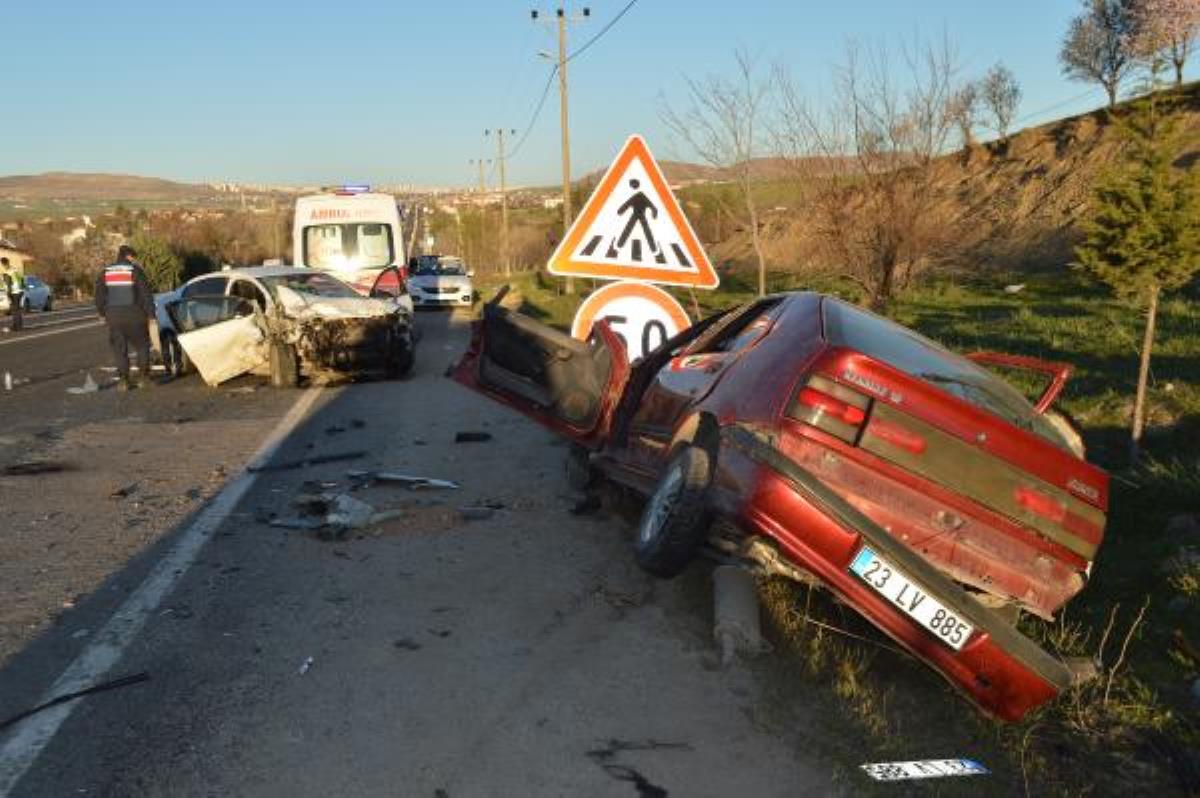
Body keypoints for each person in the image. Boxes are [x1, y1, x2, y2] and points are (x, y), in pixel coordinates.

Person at [95, 245, 155, 390]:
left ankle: (123, 381)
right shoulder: (135, 271)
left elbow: (99, 296)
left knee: (119, 349)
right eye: (133, 257)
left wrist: (102, 313)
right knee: (142, 346)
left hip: (114, 317)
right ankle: (143, 379)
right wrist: (151, 315)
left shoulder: (105, 272)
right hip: (135, 315)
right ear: (129, 256)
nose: (134, 260)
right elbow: (145, 294)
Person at [1, 257, 24, 332]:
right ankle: (19, 326)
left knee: (15, 310)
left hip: (14, 292)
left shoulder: (7, 273)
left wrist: (8, 295)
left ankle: (16, 327)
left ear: (3, 264)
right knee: (17, 309)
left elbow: (8, 285)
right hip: (20, 291)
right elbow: (22, 279)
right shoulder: (15, 270)